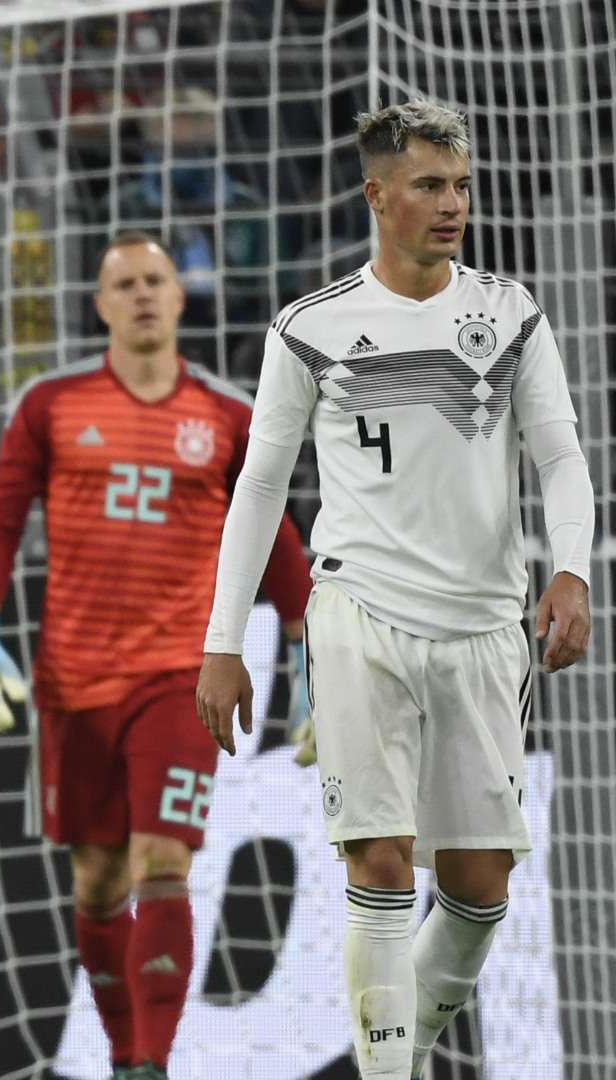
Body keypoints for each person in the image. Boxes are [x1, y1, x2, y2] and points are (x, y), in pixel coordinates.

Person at [196, 101, 594, 1080]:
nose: (452, 203)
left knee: (479, 892)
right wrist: (221, 640)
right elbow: (259, 486)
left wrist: (574, 568)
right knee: (376, 861)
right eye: (429, 185)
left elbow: (563, 456)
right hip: (358, 617)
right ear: (378, 195)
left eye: (461, 185)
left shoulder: (510, 314)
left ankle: (398, 1048)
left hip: (486, 631)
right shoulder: (311, 329)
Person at [0, 232, 313, 1079]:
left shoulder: (228, 418)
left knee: (164, 860)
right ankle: (124, 1056)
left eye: (158, 279)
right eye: (126, 283)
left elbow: (275, 539)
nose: (145, 294)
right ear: (101, 304)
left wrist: (308, 650)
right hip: (72, 683)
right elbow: (2, 520)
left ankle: (153, 1061)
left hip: (180, 679)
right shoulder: (50, 405)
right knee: (97, 881)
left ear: (180, 298)